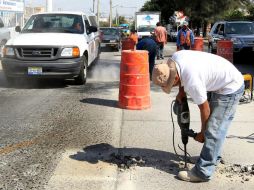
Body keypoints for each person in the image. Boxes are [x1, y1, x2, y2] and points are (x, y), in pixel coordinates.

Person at [152, 50, 244, 182]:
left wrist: (202, 132)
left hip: (230, 87)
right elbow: (180, 74)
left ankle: (203, 172)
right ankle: (212, 156)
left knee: (213, 129)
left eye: (172, 84)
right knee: (215, 127)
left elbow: (204, 109)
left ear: (175, 78)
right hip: (220, 79)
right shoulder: (176, 59)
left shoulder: (192, 82)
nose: (172, 86)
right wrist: (181, 92)